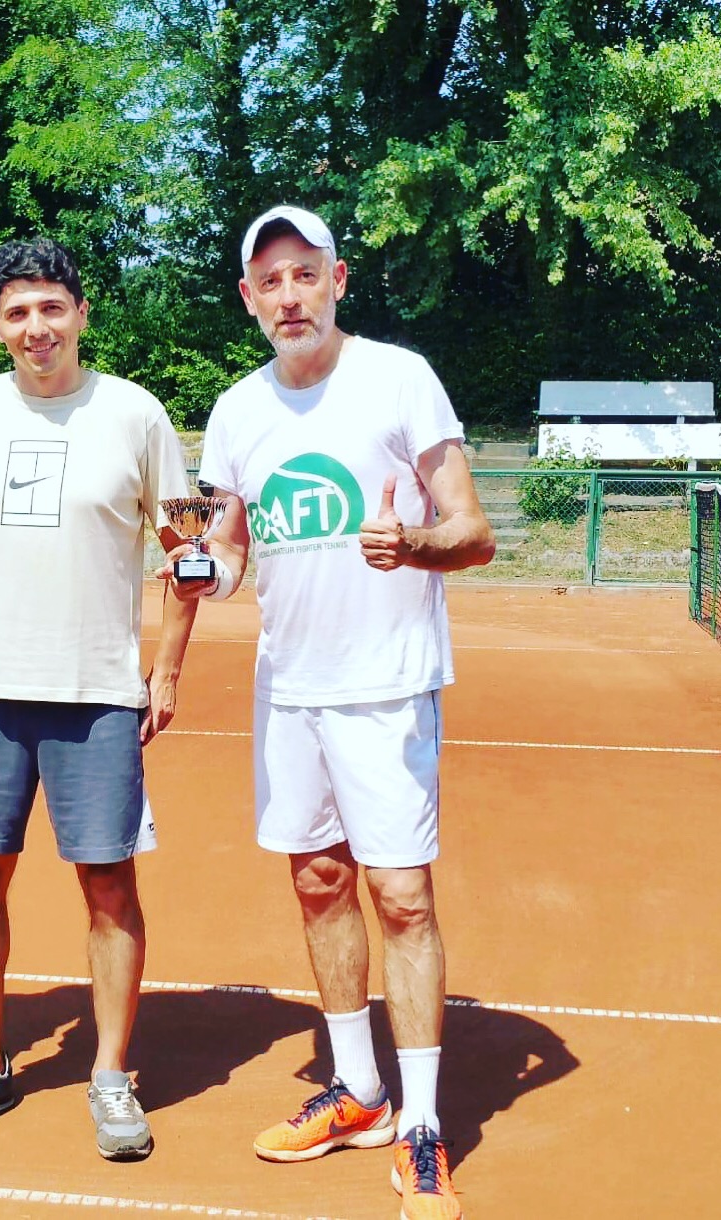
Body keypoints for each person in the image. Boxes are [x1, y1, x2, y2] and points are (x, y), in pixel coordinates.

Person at [163, 206, 494, 1219]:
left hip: (384, 685)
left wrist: (417, 546)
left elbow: (470, 529)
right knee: (315, 878)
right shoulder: (233, 411)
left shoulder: (398, 377)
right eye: (269, 281)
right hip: (287, 688)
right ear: (248, 298)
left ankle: (423, 1126)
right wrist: (199, 564)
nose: (288, 296)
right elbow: (225, 550)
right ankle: (357, 1089)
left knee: (398, 894)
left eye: (304, 274)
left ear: (336, 279)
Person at [0, 236, 198, 1161]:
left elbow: (182, 553)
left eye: (50, 308)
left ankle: (111, 1074)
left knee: (108, 884)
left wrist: (165, 670)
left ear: (80, 312)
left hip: (99, 693)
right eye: (15, 313)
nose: (35, 328)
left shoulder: (135, 415)